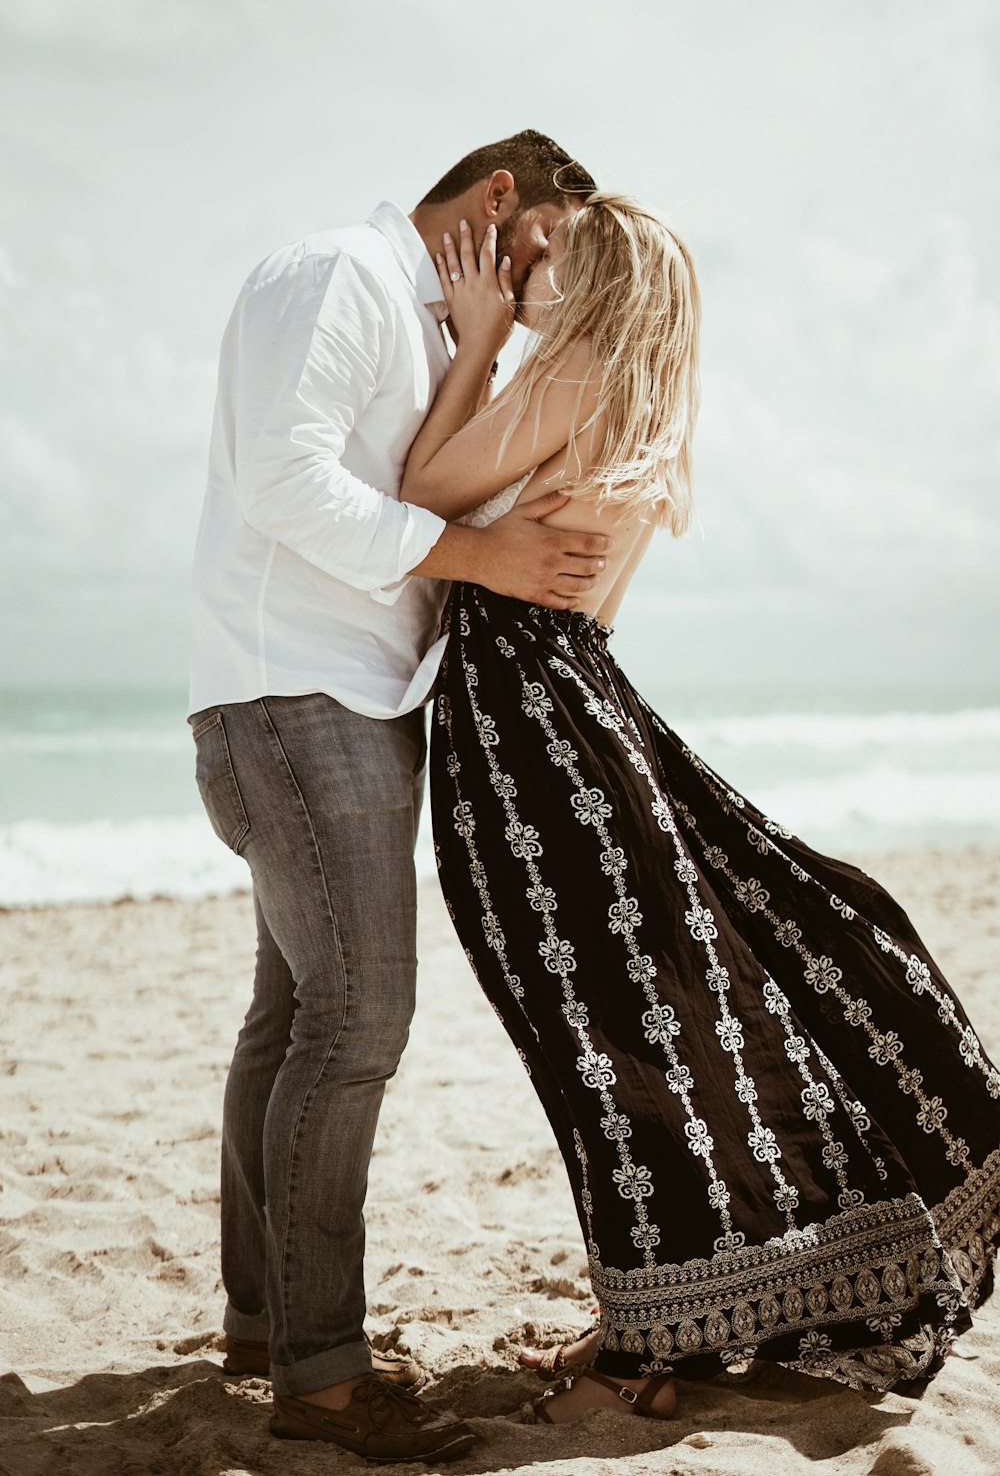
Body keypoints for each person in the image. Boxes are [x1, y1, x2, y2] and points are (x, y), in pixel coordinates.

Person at [400, 194, 1000, 1424]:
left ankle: (650, 1341)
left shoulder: (572, 381)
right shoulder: (646, 410)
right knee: (651, 1028)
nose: (526, 277)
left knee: (608, 1044)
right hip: (578, 704)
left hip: (526, 732)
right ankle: (664, 1317)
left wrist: (472, 339)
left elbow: (421, 483)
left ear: (600, 283)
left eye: (549, 262)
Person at [186, 131, 608, 1464]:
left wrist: (488, 351)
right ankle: (321, 1379)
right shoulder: (339, 276)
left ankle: (269, 1328)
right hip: (293, 697)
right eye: (556, 245)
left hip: (344, 696)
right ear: (500, 201)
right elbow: (285, 482)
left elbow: (420, 485)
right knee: (359, 1018)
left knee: (295, 1014)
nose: (563, 283)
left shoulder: (435, 329)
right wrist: (483, 550)